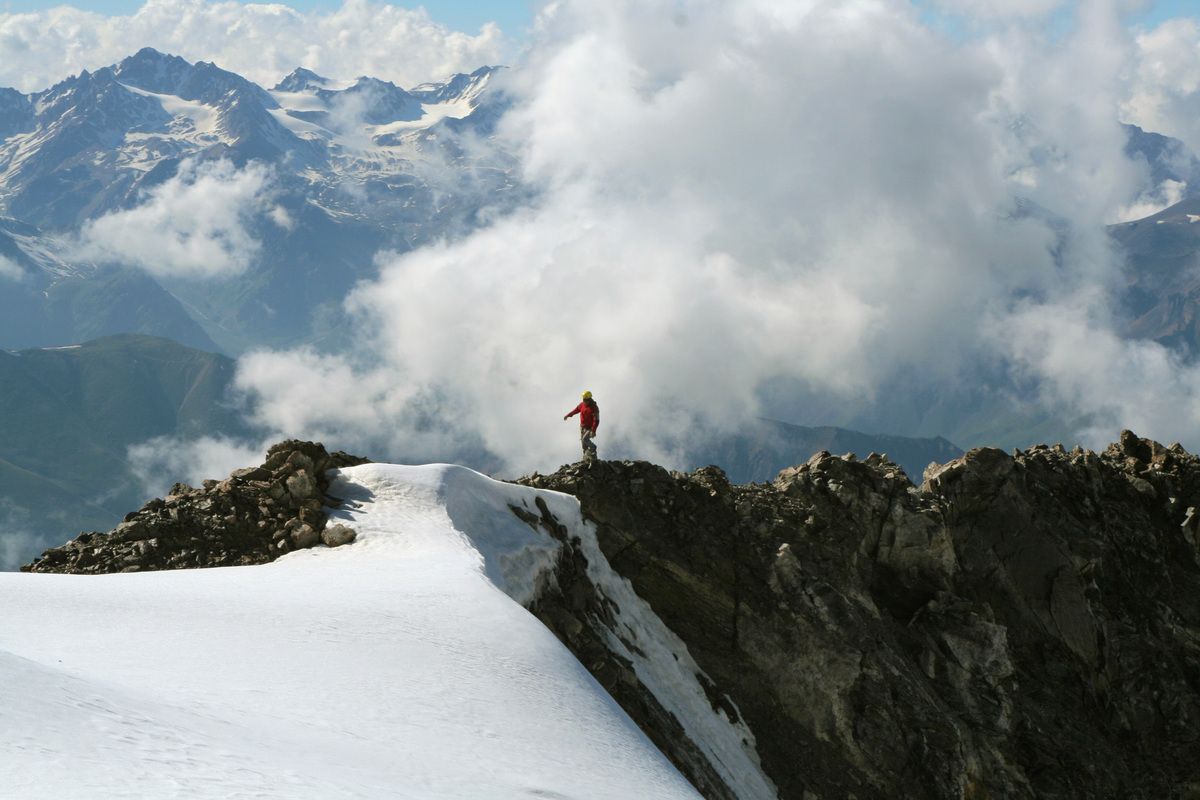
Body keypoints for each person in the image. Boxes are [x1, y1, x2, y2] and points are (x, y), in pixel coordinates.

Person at [564, 391, 599, 460]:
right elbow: (576, 410)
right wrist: (568, 415)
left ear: (590, 399)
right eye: (583, 400)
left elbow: (596, 420)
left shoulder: (594, 408)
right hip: (582, 426)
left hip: (590, 428)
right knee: (583, 444)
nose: (584, 401)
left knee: (585, 439)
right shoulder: (582, 404)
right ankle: (586, 458)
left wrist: (593, 430)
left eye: (586, 400)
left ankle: (593, 448)